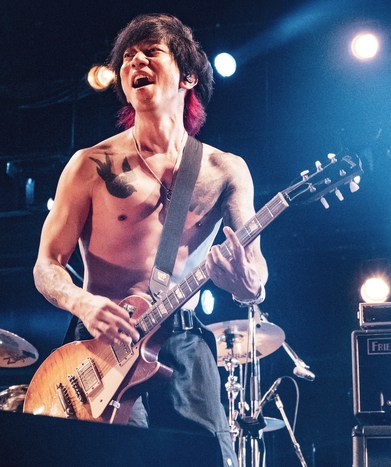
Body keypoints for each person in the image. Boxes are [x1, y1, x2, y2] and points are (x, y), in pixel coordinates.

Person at [32, 13, 268, 467]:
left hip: (184, 342)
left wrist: (245, 284)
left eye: (151, 52)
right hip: (101, 346)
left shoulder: (225, 170)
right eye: (127, 57)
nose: (135, 61)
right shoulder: (90, 164)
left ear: (188, 76)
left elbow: (255, 273)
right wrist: (83, 304)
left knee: (211, 459)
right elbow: (47, 264)